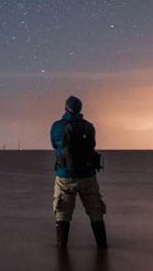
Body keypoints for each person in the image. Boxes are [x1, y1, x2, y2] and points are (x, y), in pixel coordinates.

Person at [50, 95, 107, 250]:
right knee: (96, 212)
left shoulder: (57, 126)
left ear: (65, 108)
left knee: (62, 214)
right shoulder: (89, 127)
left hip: (65, 176)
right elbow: (92, 145)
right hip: (88, 175)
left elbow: (55, 144)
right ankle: (102, 248)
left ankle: (62, 251)